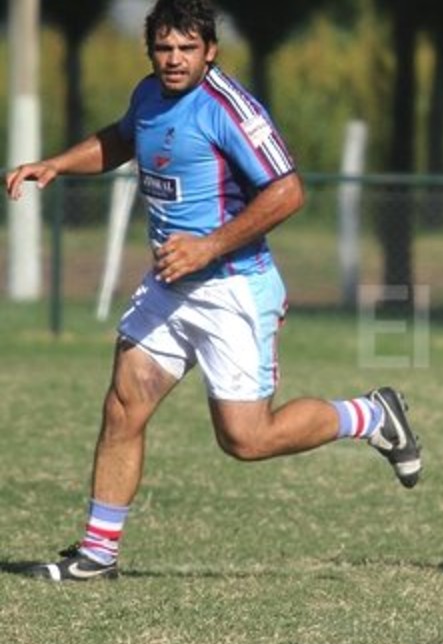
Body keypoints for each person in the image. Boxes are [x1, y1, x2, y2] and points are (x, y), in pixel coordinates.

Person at [3, 0, 421, 583]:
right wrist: (56, 164)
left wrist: (208, 245)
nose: (174, 60)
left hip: (233, 290)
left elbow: (288, 192)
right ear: (151, 50)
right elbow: (123, 139)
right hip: (170, 288)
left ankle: (371, 414)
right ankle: (97, 556)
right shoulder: (149, 93)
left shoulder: (231, 110)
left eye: (187, 49)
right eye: (164, 48)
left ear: (210, 51)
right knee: (124, 405)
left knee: (247, 440)